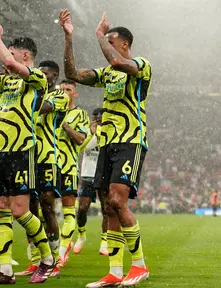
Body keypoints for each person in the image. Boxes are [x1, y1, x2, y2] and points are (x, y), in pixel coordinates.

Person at [60, 8, 152, 287]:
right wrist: (68, 39)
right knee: (108, 208)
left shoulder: (140, 65)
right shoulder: (108, 74)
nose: (106, 49)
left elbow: (115, 60)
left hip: (130, 141)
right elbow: (73, 73)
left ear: (124, 44)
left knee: (117, 201)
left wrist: (99, 33)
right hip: (107, 145)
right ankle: (114, 271)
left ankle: (139, 266)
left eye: (111, 43)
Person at [0, 30, 55, 283]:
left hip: (21, 151)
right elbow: (7, 66)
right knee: (1, 210)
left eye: (11, 53)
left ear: (25, 55)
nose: (6, 60)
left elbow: (9, 63)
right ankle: (5, 269)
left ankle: (46, 259)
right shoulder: (6, 81)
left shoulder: (36, 79)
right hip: (1, 152)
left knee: (20, 211)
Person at [15, 60, 70, 276]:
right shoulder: (31, 92)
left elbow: (42, 107)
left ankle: (54, 260)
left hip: (47, 157)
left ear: (54, 77)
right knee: (30, 209)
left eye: (44, 73)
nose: (41, 76)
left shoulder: (59, 97)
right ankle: (36, 260)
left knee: (47, 208)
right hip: (28, 156)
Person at [49, 79, 90, 277]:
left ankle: (61, 253)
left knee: (68, 213)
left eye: (68, 90)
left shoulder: (80, 114)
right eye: (62, 89)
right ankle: (48, 252)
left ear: (75, 93)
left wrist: (66, 126)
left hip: (68, 167)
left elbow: (81, 139)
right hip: (48, 165)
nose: (64, 92)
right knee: (45, 210)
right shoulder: (51, 110)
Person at [73, 108, 108, 256]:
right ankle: (82, 235)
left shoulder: (108, 131)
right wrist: (92, 133)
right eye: (96, 117)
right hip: (88, 174)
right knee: (82, 209)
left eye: (100, 117)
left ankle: (105, 242)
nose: (98, 119)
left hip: (103, 173)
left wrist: (99, 132)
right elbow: (81, 148)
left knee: (106, 209)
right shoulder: (86, 131)